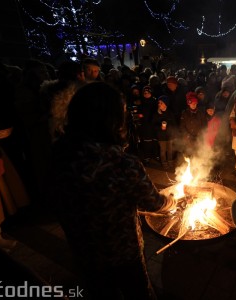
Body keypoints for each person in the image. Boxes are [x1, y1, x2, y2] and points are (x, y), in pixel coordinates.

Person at [48, 82, 176, 300]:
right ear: (113, 120)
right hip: (121, 252)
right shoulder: (121, 163)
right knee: (137, 293)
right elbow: (153, 203)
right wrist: (169, 200)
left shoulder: (58, 155)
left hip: (83, 250)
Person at [152, 95, 177, 169]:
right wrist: (160, 127)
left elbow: (174, 124)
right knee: (163, 151)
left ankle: (170, 161)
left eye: (161, 103)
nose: (159, 104)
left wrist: (170, 129)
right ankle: (164, 163)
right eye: (159, 103)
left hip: (169, 135)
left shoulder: (170, 113)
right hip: (161, 136)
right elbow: (153, 124)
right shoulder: (156, 113)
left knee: (170, 150)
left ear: (165, 104)